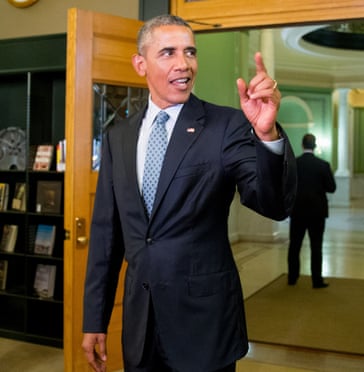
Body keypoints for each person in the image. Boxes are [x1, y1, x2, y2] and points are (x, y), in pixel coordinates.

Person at [81, 14, 296, 372]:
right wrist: (94, 320)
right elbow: (107, 236)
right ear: (140, 64)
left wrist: (267, 136)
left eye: (190, 52)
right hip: (141, 327)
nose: (184, 64)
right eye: (168, 53)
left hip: (204, 326)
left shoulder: (227, 125)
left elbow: (273, 204)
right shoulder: (119, 137)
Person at [287, 133, 336, 289]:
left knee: (294, 245)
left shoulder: (294, 163)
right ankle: (316, 280)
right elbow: (332, 188)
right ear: (315, 146)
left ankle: (292, 278)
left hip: (298, 211)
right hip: (317, 212)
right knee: (316, 246)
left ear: (302, 145)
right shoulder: (323, 165)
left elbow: (287, 186)